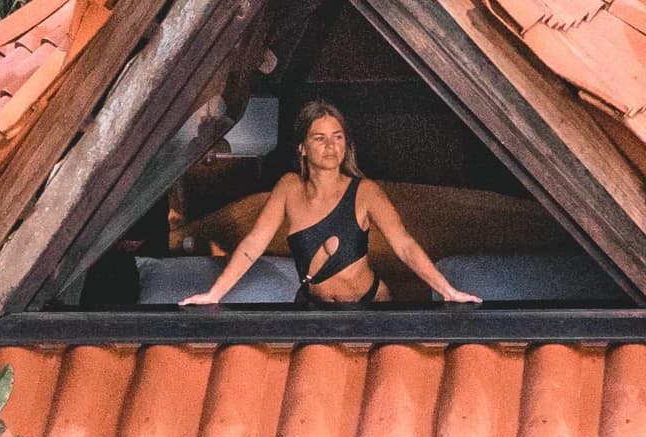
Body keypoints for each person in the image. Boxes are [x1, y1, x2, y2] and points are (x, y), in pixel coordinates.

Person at [186, 100, 478, 306]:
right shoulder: (289, 187)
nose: (330, 146)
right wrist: (215, 295)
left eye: (337, 137)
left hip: (370, 304)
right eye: (320, 138)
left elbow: (404, 245)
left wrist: (447, 290)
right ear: (302, 148)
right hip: (316, 307)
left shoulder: (365, 191)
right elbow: (254, 243)